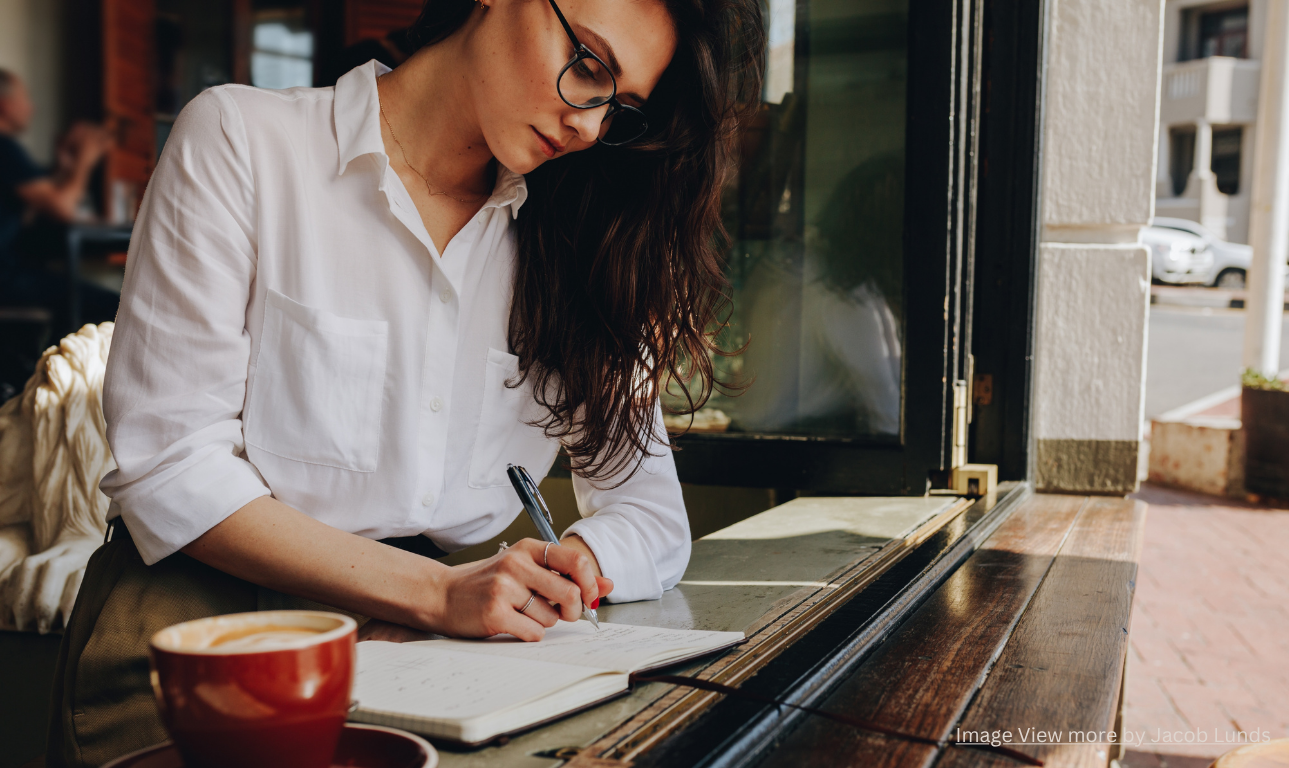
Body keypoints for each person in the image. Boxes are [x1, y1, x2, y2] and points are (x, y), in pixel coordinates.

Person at [47, 0, 764, 765]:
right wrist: (434, 593)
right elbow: (170, 464)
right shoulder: (244, 141)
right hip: (207, 639)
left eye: (619, 108)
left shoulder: (580, 239)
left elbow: (648, 517)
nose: (589, 125)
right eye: (587, 64)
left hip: (437, 656)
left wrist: (572, 565)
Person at [0, 69, 113, 312]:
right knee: (113, 307)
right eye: (25, 99)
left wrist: (63, 169)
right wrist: (86, 158)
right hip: (6, 277)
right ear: (5, 105)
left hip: (12, 268)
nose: (31, 108)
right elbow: (63, 209)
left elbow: (35, 198)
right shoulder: (5, 148)